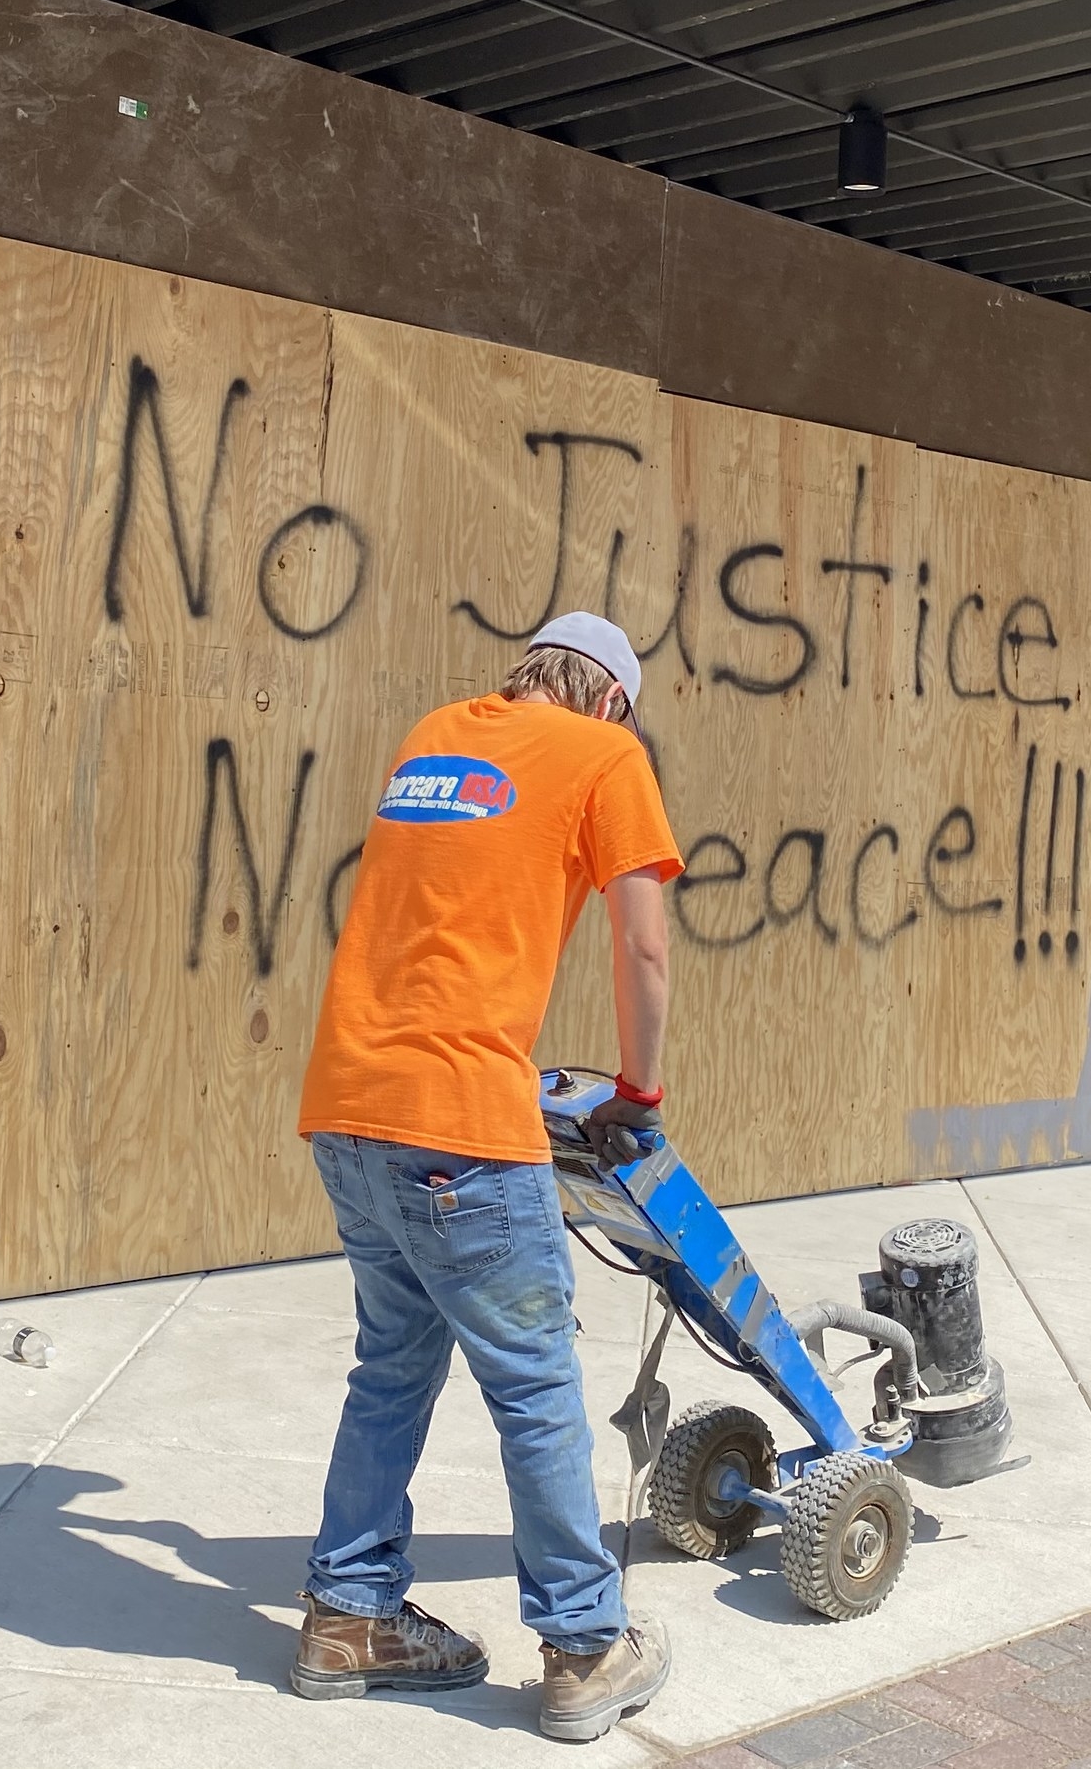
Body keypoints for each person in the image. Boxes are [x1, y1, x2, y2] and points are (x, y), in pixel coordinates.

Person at [290, 610, 683, 1744]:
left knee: (393, 1364)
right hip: (461, 1120)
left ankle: (348, 1615)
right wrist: (638, 1095)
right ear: (612, 697)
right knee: (537, 1385)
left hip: (350, 1107)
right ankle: (583, 1648)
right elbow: (644, 944)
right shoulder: (607, 752)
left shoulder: (435, 740)